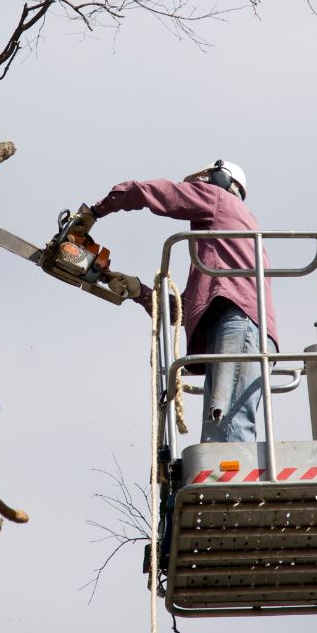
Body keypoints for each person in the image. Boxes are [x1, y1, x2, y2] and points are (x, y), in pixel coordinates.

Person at [76, 161, 277, 443]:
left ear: (222, 180)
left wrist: (96, 211)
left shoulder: (220, 201)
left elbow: (156, 193)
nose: (198, 189)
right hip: (239, 326)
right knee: (220, 428)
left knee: (228, 426)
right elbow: (183, 310)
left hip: (238, 323)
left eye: (204, 182)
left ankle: (230, 486)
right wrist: (139, 292)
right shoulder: (223, 245)